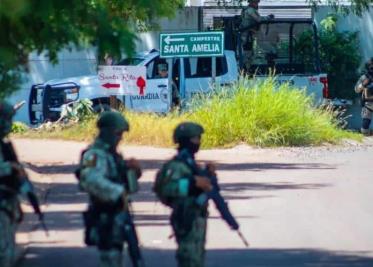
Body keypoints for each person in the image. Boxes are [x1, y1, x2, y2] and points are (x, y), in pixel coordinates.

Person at [76, 111, 144, 267]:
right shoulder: (94, 154)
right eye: (118, 133)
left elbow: (120, 179)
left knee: (129, 255)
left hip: (119, 216)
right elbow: (90, 179)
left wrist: (131, 171)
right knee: (110, 259)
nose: (120, 138)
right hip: (105, 216)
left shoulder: (112, 155)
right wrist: (118, 192)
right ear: (107, 132)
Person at [154, 122, 214, 267]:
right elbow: (165, 188)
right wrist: (192, 184)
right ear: (185, 140)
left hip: (197, 219)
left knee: (196, 259)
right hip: (185, 218)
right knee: (189, 259)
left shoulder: (191, 164)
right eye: (195, 139)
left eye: (199, 138)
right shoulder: (176, 165)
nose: (198, 142)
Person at [0, 101, 42, 267]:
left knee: (8, 250)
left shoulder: (4, 145)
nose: (9, 124)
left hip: (7, 203)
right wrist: (9, 167)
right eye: (7, 119)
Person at [239, 0, 274, 72]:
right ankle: (246, 70)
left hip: (249, 35)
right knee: (248, 54)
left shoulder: (247, 10)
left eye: (257, 2)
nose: (257, 4)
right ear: (251, 2)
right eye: (255, 2)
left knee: (249, 53)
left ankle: (247, 69)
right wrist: (268, 17)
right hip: (247, 36)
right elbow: (259, 20)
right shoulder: (250, 10)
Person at [355, 58, 373, 135]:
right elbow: (356, 90)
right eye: (371, 67)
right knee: (364, 129)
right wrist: (363, 84)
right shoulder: (364, 77)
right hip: (368, 104)